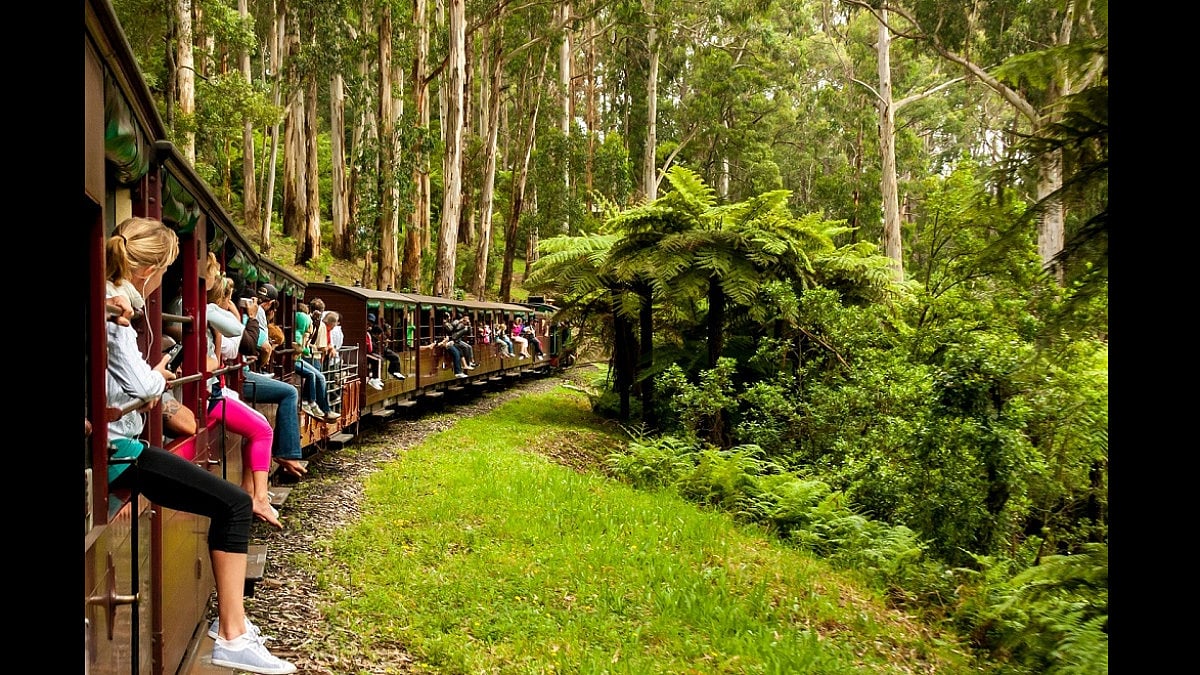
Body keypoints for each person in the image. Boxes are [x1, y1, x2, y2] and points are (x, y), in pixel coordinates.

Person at [103, 216, 297, 674]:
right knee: (233, 504)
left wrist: (152, 380)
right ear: (148, 272)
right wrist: (158, 377)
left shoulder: (114, 309)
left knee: (230, 503)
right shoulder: (118, 318)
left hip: (122, 447)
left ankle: (233, 628)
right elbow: (141, 385)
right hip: (120, 452)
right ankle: (232, 635)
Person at [202, 255, 282, 530]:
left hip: (215, 392)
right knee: (262, 430)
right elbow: (240, 342)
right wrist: (241, 314)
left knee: (257, 428)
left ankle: (251, 492)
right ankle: (258, 497)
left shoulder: (206, 312)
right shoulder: (209, 311)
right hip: (209, 396)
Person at [294, 305, 339, 423]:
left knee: (318, 377)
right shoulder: (317, 325)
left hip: (304, 357)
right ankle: (319, 407)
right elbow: (321, 346)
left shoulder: (313, 323)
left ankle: (317, 405)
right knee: (319, 378)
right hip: (311, 357)